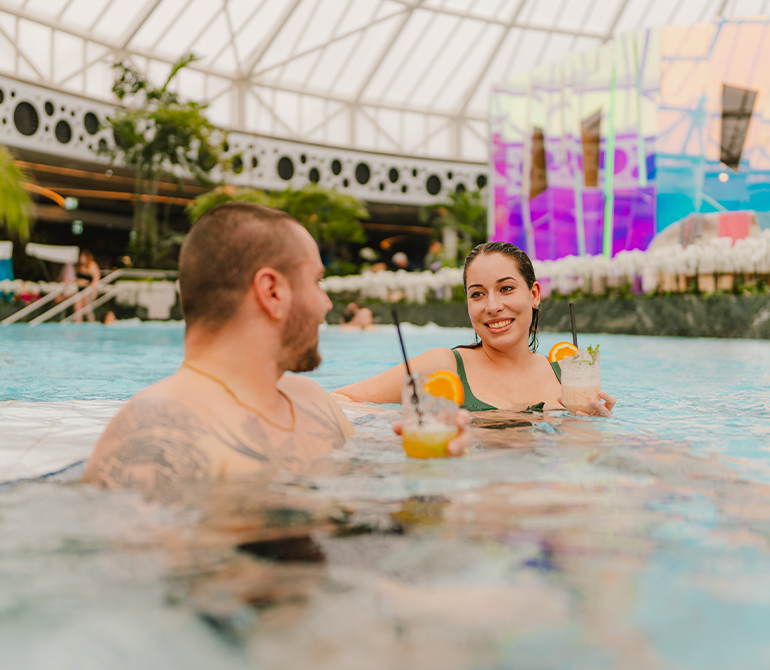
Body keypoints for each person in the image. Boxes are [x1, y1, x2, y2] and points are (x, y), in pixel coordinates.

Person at [83, 203, 471, 503]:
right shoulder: (155, 435)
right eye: (318, 282)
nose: (326, 303)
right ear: (272, 292)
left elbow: (373, 525)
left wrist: (430, 475)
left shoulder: (314, 404)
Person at [334, 241, 616, 415]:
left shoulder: (570, 376)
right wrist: (400, 420)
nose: (492, 306)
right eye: (477, 294)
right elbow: (338, 400)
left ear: (534, 295)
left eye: (506, 288)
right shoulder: (443, 366)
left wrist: (591, 428)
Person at [74, 250, 101, 323]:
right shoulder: (79, 266)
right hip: (80, 289)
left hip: (88, 289)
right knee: (78, 310)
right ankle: (78, 325)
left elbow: (96, 278)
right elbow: (75, 278)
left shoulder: (92, 265)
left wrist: (89, 286)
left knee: (87, 309)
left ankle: (91, 323)